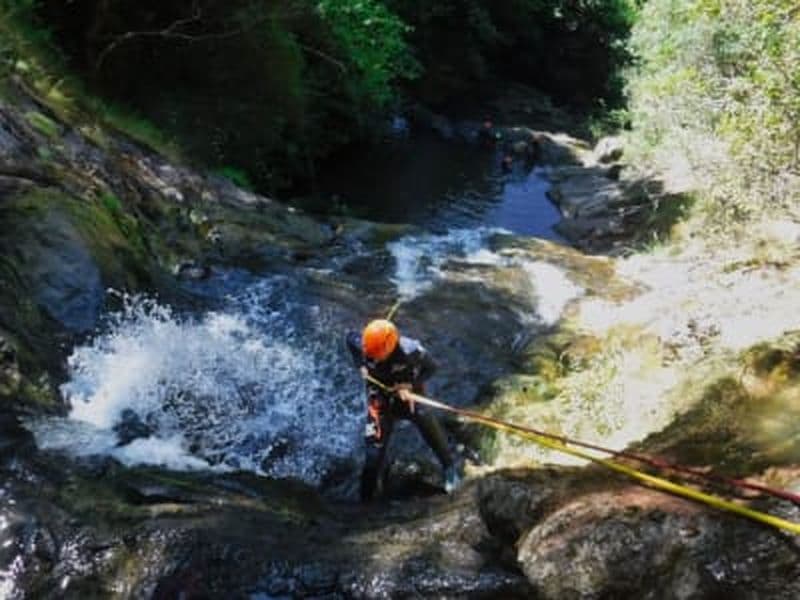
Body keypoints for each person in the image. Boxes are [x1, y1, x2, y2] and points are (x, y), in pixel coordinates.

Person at [346, 319, 460, 501]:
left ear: (389, 348)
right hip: (380, 398)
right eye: (370, 354)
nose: (373, 358)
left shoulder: (410, 350)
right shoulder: (363, 344)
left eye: (376, 355)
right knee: (373, 453)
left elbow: (432, 368)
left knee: (426, 422)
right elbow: (349, 339)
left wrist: (409, 385)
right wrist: (360, 364)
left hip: (409, 396)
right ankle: (366, 500)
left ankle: (449, 468)